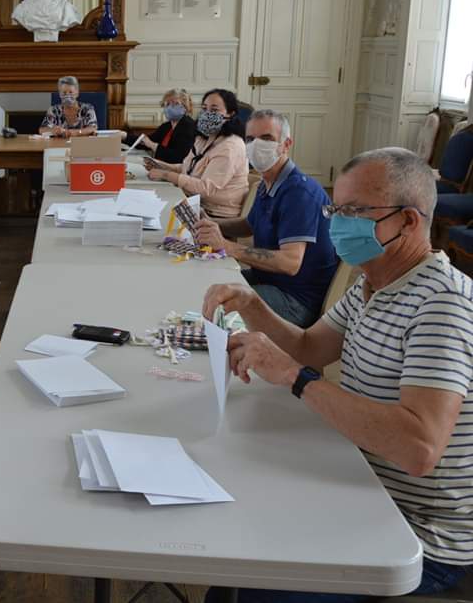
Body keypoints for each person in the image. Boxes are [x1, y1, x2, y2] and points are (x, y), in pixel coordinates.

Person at [202, 147, 473, 603]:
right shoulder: (374, 284)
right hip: (363, 484)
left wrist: (296, 377)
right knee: (237, 545)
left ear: (408, 221)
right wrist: (252, 305)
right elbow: (309, 347)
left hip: (418, 535)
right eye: (335, 209)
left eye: (354, 212)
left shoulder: (442, 305)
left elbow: (419, 448)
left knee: (253, 588)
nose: (337, 224)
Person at [195, 110, 338, 326]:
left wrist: (226, 246)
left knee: (210, 306)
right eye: (250, 139)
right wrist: (211, 224)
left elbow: (290, 263)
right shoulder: (268, 182)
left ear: (286, 144)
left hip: (295, 299)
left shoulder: (298, 193)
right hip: (268, 280)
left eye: (267, 138)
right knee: (202, 284)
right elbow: (249, 225)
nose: (256, 146)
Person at [145, 88, 248, 218]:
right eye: (204, 108)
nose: (207, 113)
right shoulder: (204, 138)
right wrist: (162, 166)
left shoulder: (230, 146)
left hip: (214, 214)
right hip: (193, 202)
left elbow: (205, 188)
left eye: (214, 110)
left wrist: (167, 175)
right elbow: (189, 168)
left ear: (231, 114)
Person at [139, 88, 197, 164]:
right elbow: (147, 140)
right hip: (160, 166)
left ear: (186, 107)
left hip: (174, 169)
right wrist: (125, 136)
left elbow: (179, 157)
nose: (169, 108)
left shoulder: (188, 126)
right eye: (167, 104)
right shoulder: (167, 126)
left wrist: (153, 145)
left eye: (175, 104)